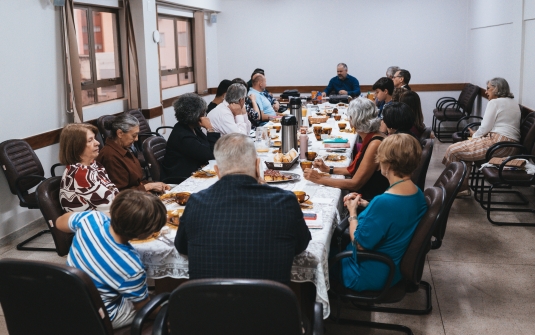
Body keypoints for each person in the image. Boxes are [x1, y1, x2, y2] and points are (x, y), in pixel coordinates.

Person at [175, 133, 311, 285]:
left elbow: (182, 247)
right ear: (257, 166)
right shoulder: (286, 202)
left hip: (209, 306)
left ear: (217, 171)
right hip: (270, 306)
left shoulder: (195, 203)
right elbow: (301, 246)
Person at [55, 190, 167, 329]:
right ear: (142, 234)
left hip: (71, 298)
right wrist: (163, 313)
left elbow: (59, 223)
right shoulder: (131, 267)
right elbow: (143, 309)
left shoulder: (91, 218)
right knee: (158, 306)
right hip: (101, 315)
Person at [339, 134, 428, 292]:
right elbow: (396, 215)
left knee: (321, 255)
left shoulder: (384, 202)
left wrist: (352, 211)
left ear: (388, 163)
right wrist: (368, 204)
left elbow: (359, 244)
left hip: (367, 274)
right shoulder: (417, 193)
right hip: (391, 269)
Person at [443, 77, 521, 196]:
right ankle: (461, 188)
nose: (486, 92)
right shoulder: (513, 103)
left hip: (498, 143)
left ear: (497, 89)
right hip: (509, 144)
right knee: (461, 150)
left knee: (453, 150)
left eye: (488, 88)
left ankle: (453, 186)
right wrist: (477, 137)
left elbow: (485, 127)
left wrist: (474, 137)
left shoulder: (495, 102)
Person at [304, 98, 389, 200]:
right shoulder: (374, 136)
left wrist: (320, 178)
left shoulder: (375, 143)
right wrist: (327, 169)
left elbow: (355, 184)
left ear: (354, 120)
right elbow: (357, 169)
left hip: (371, 202)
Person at [97, 115, 169, 193]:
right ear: (120, 133)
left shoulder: (123, 149)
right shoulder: (110, 156)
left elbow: (136, 182)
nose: (136, 139)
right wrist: (148, 186)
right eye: (134, 135)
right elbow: (120, 193)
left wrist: (155, 185)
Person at [161, 93, 221, 182]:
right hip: (181, 177)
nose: (205, 115)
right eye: (203, 113)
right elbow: (211, 154)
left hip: (193, 171)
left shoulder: (193, 128)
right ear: (195, 116)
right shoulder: (183, 135)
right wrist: (209, 129)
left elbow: (208, 147)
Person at [59, 123, 119, 212]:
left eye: (94, 138)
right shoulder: (81, 175)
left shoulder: (94, 164)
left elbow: (112, 191)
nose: (97, 143)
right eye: (90, 140)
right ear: (77, 146)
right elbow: (111, 207)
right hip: (94, 222)